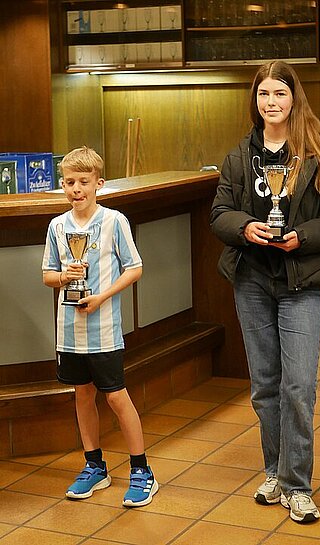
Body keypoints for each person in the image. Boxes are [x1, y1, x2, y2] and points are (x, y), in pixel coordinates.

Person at [210, 61, 320, 524]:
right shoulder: (240, 156)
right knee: (264, 386)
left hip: (300, 283)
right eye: (263, 94)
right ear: (254, 101)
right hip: (251, 281)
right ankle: (274, 472)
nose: (270, 102)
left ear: (295, 98)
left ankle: (298, 486)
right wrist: (245, 227)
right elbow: (219, 213)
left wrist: (302, 237)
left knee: (299, 387)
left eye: (279, 93)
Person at [42, 146, 158, 507]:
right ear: (63, 185)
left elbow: (134, 268)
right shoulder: (57, 226)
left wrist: (102, 296)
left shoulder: (114, 221)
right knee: (82, 394)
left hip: (104, 329)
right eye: (70, 182)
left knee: (115, 396)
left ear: (99, 184)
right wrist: (65, 277)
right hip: (69, 332)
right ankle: (94, 465)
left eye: (84, 182)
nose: (76, 189)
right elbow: (47, 276)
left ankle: (142, 471)